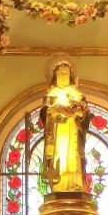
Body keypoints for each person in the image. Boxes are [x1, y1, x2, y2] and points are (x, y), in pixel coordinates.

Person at [40, 60, 89, 193]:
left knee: (73, 157)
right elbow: (45, 114)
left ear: (70, 75)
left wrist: (79, 113)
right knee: (59, 155)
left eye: (66, 74)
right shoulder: (51, 94)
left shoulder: (77, 94)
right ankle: (59, 185)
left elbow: (85, 116)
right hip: (58, 130)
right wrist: (54, 111)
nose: (63, 76)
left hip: (72, 129)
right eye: (60, 73)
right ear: (55, 75)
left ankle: (75, 184)